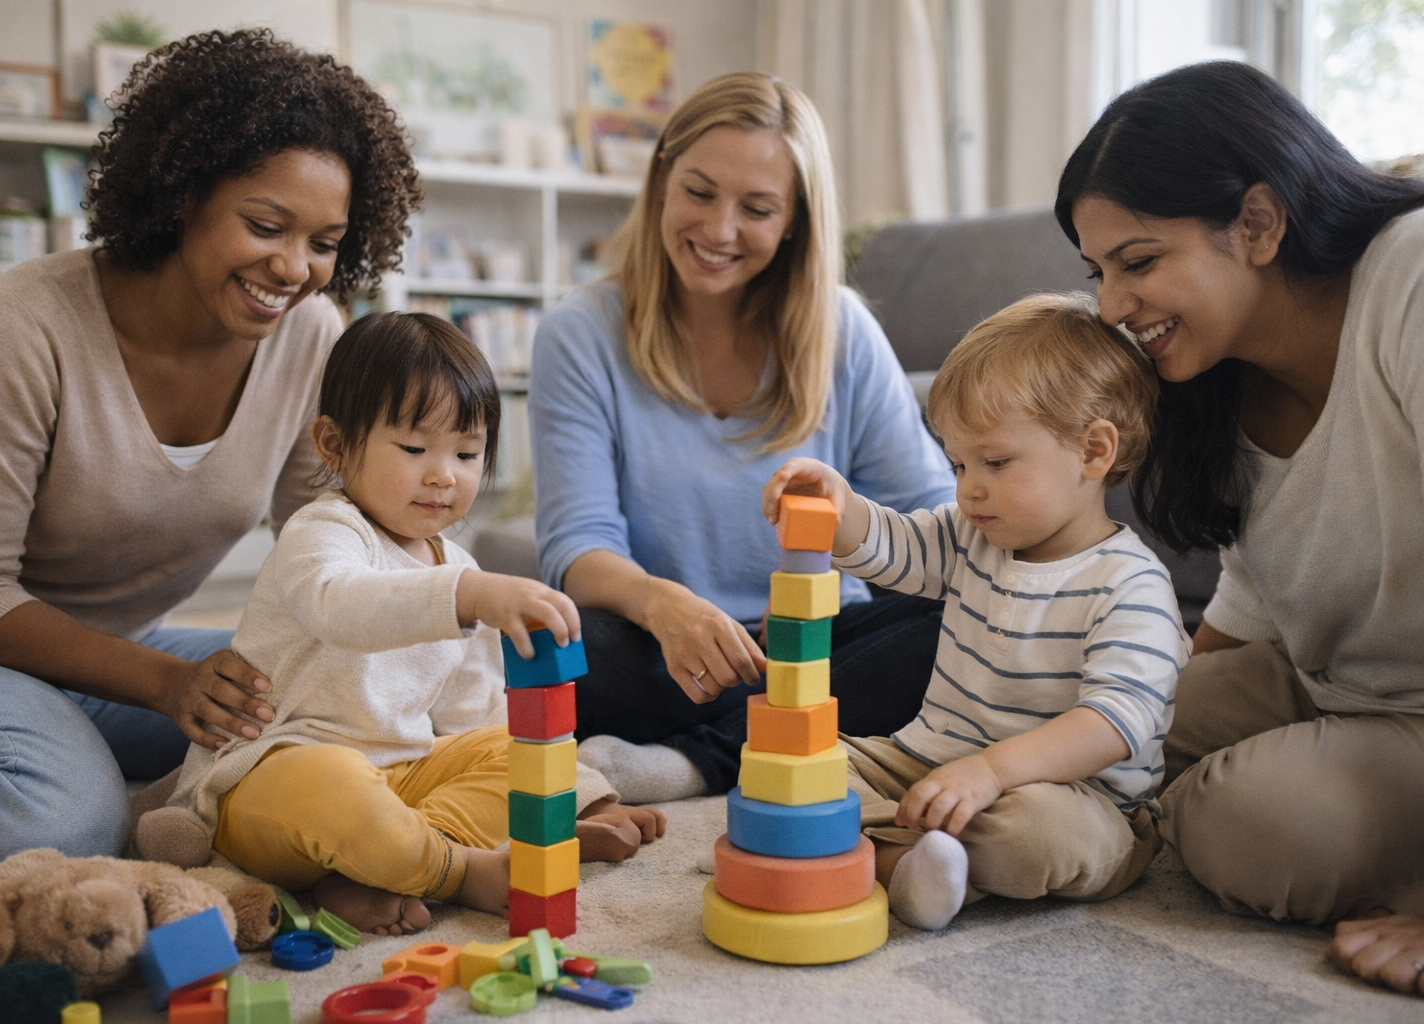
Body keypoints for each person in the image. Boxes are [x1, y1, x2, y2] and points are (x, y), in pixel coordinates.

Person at [0, 29, 419, 892]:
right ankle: (34, 747)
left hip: (109, 645)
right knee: (62, 812)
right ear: (181, 196)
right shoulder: (25, 324)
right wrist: (169, 685)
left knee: (325, 709)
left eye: (324, 242)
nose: (293, 268)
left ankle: (42, 730)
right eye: (264, 225)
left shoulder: (310, 339)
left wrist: (431, 605)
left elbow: (322, 533)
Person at [1055, 60, 1424, 995]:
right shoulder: (1221, 383)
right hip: (1329, 687)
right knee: (1076, 710)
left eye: (1137, 262)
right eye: (1098, 273)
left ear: (1258, 223)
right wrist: (1136, 700)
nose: (1110, 307)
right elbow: (1259, 596)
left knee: (1246, 826)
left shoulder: (1411, 278)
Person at [139, 312, 664, 935]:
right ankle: (461, 872)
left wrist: (575, 790)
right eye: (414, 449)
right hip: (277, 768)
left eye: (467, 453)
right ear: (333, 445)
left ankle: (383, 866)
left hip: (401, 776)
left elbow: (475, 711)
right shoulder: (325, 532)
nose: (444, 473)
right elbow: (343, 607)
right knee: (333, 789)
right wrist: (467, 595)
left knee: (516, 748)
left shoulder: (456, 566)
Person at [530, 72, 955, 803]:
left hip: (824, 648)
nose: (719, 231)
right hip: (667, 653)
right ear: (661, 177)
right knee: (551, 641)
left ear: (794, 220)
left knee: (965, 618)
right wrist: (666, 607)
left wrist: (853, 525)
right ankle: (788, 739)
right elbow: (576, 546)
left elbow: (937, 524)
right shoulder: (581, 331)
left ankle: (694, 764)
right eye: (699, 192)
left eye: (756, 209)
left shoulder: (843, 329)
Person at [762, 293, 1188, 930]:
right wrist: (839, 506)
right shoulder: (971, 533)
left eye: (995, 462)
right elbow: (894, 550)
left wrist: (992, 772)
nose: (968, 487)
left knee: (1038, 838)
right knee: (791, 769)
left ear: (1094, 452)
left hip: (1077, 799)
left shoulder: (1131, 584)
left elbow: (1112, 724)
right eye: (959, 463)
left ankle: (885, 856)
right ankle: (903, 864)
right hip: (927, 759)